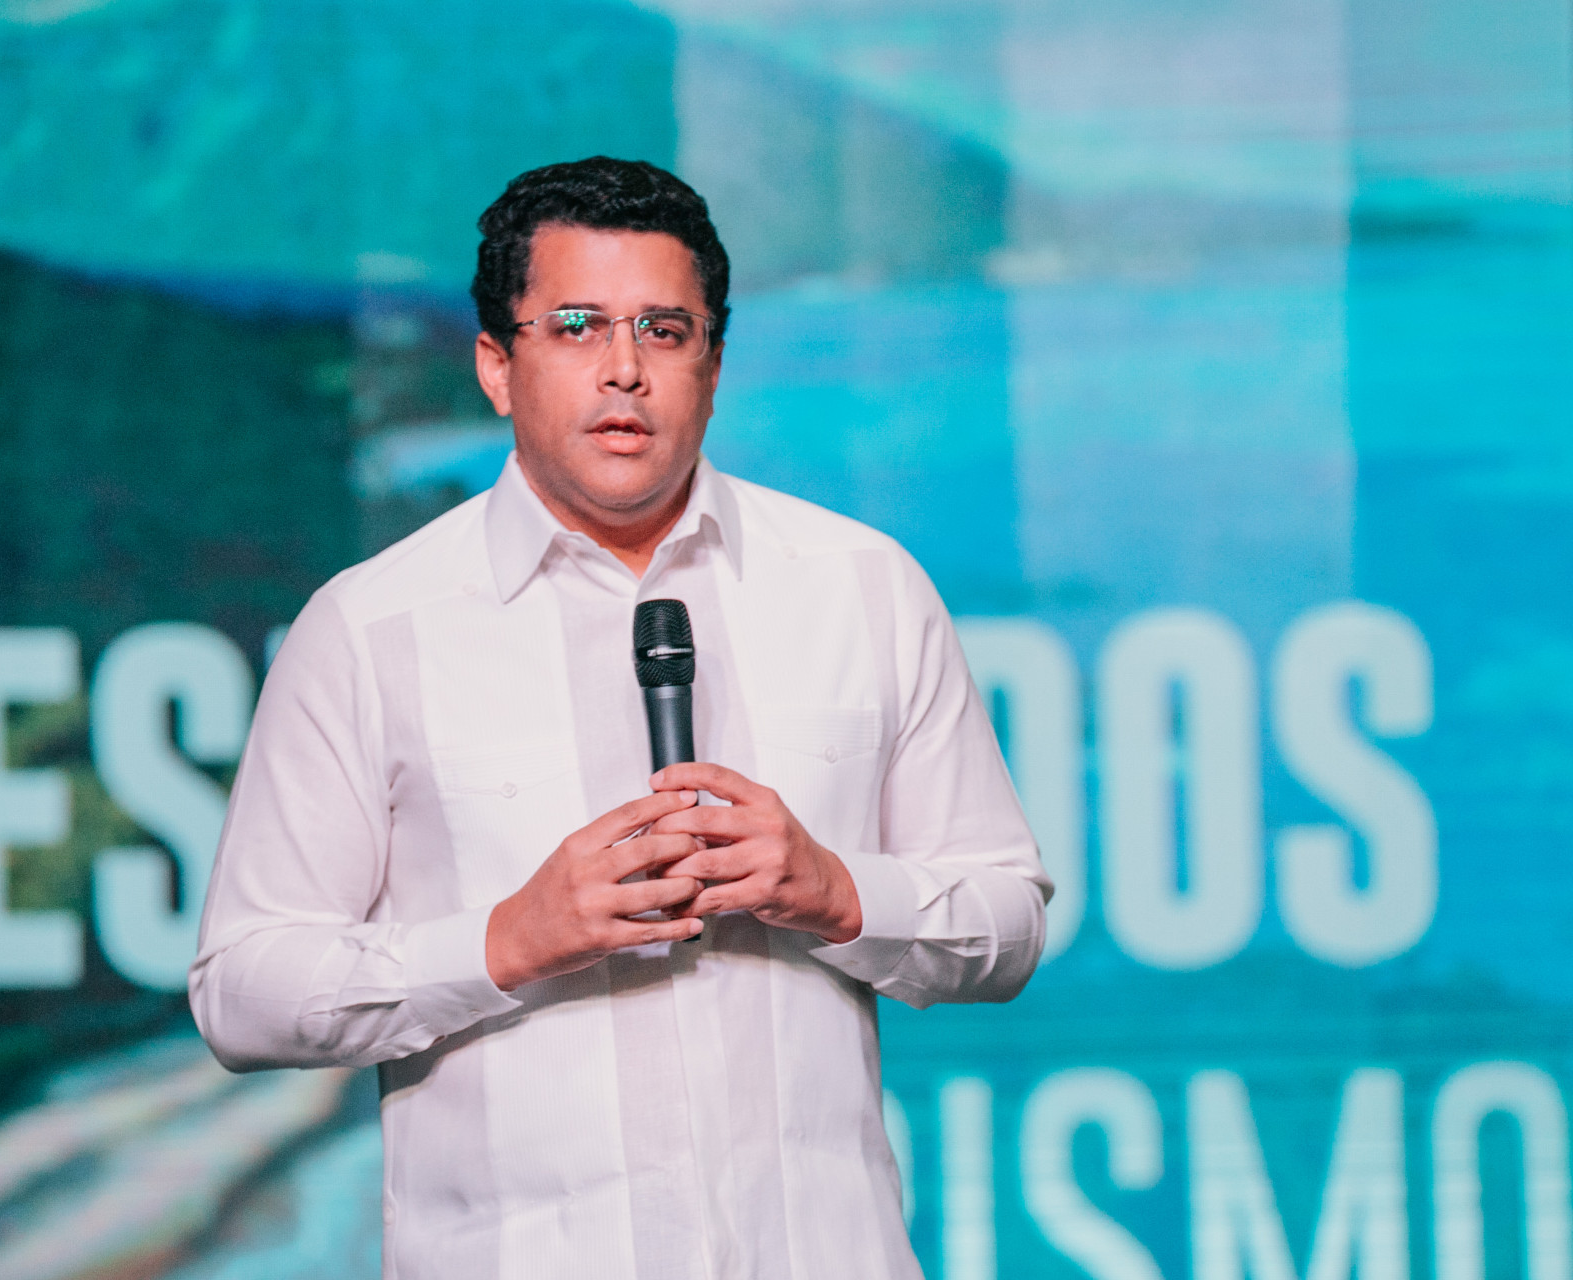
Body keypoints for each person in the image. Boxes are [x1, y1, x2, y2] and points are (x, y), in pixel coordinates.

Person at [189, 156, 1051, 1280]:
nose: (625, 368)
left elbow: (1007, 922)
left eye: (664, 329)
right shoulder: (371, 627)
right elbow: (243, 991)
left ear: (714, 366)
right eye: (577, 326)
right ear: (497, 365)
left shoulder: (862, 585)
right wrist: (509, 939)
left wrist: (836, 890)